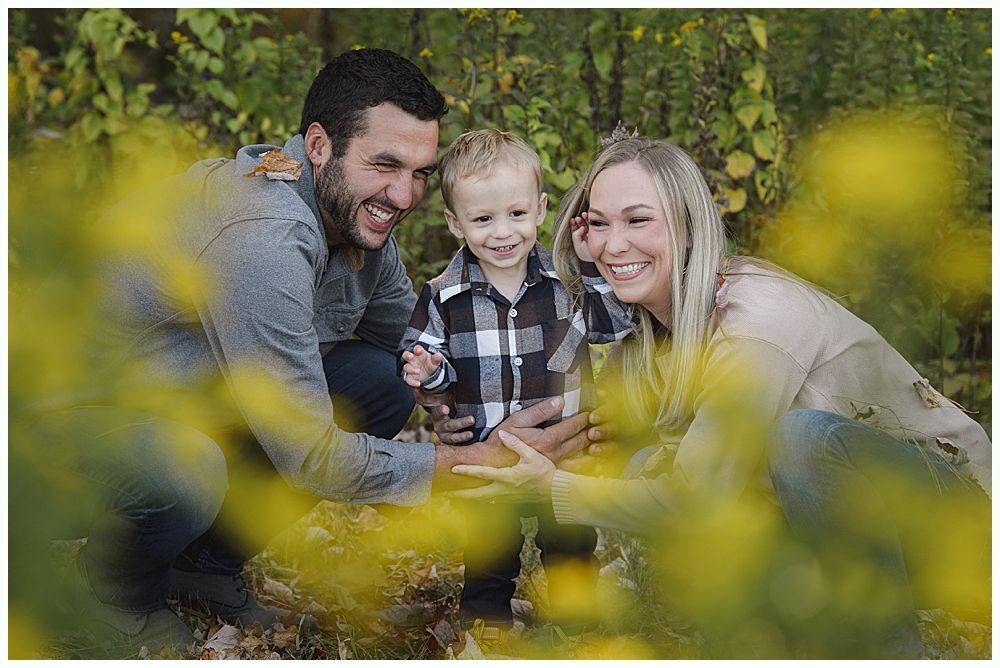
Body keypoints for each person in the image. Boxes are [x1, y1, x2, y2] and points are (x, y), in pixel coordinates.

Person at [26, 49, 591, 656]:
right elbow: (310, 456)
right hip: (56, 430)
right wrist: (475, 462)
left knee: (383, 380)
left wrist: (481, 404)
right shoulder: (266, 239)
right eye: (384, 164)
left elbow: (408, 339)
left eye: (421, 172)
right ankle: (110, 596)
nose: (403, 195)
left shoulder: (354, 217)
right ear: (319, 146)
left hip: (181, 399)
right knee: (186, 468)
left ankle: (204, 564)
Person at [448, 136, 991, 658]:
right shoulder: (645, 341)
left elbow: (697, 497)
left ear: (686, 226)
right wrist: (469, 425)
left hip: (955, 526)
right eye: (599, 224)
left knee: (803, 440)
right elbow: (587, 435)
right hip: (859, 537)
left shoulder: (755, 319)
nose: (614, 245)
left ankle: (885, 653)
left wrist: (553, 487)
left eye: (638, 220)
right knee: (641, 458)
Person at [398, 129, 635, 630]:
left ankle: (579, 625)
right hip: (490, 459)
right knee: (489, 556)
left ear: (541, 208)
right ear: (454, 223)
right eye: (482, 219)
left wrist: (592, 265)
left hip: (563, 458)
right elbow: (431, 365)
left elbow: (614, 324)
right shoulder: (443, 295)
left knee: (570, 545)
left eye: (516, 214)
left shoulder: (567, 283)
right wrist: (428, 371)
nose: (502, 232)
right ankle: (487, 631)